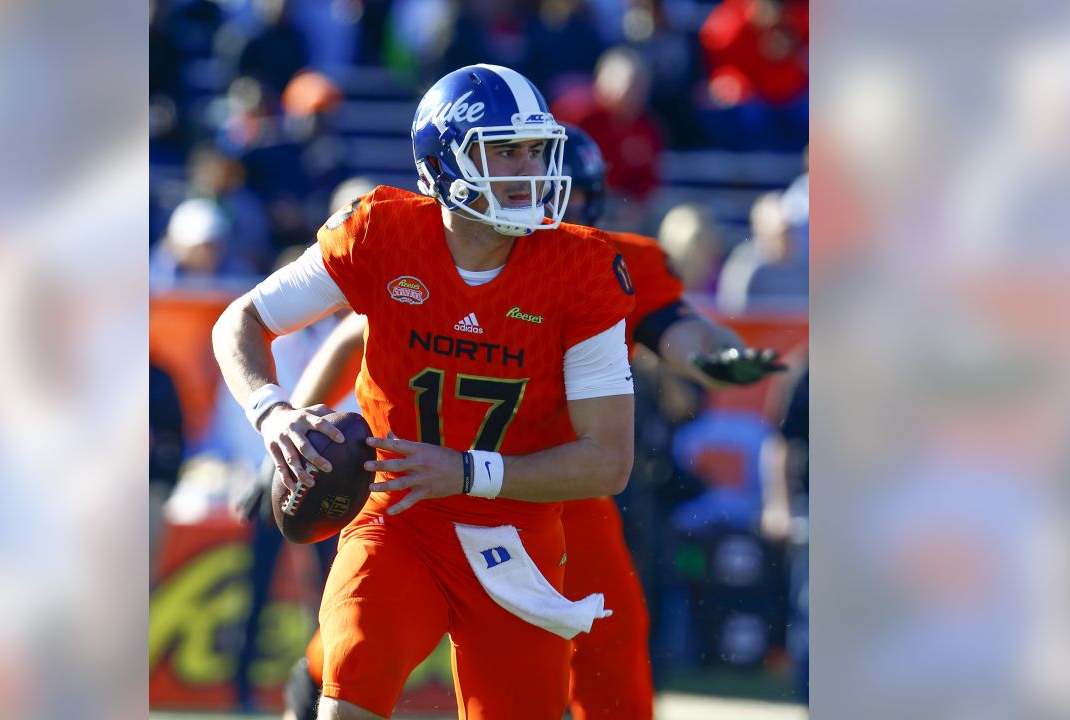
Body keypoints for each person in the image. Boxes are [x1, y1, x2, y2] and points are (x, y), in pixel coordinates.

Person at [275, 125, 787, 720]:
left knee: (609, 635)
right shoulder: (456, 247)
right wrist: (293, 441)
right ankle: (317, 682)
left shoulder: (598, 262)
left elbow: (679, 331)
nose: (537, 195)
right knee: (360, 632)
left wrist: (717, 360)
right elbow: (353, 336)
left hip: (564, 478)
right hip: (439, 472)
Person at [212, 65, 638, 720]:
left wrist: (468, 471)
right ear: (445, 163)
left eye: (533, 149)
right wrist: (272, 413)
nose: (529, 168)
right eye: (504, 150)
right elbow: (239, 320)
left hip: (516, 536)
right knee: (350, 683)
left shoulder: (580, 270)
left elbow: (607, 461)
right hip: (399, 516)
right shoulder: (381, 233)